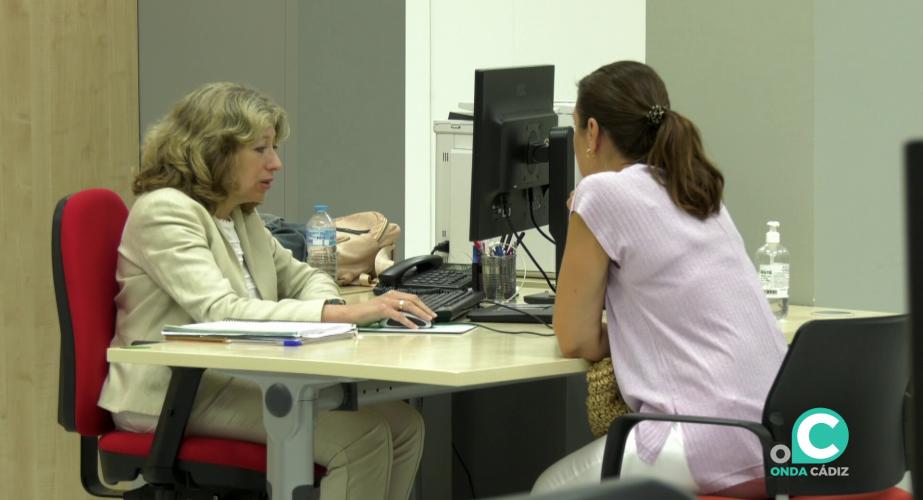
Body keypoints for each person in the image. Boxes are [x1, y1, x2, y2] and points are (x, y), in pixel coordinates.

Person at [97, 82, 434, 500]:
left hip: (235, 377)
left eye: (274, 149)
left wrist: (328, 304)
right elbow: (219, 311)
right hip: (178, 393)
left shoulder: (238, 216)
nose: (275, 164)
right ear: (213, 150)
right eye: (260, 150)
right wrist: (341, 315)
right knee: (360, 438)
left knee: (404, 425)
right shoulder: (165, 211)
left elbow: (304, 276)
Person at [532, 61, 787, 497]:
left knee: (549, 489)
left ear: (592, 132)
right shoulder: (694, 188)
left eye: (575, 130)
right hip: (778, 441)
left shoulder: (601, 193)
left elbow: (574, 338)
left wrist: (632, 337)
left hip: (705, 439)